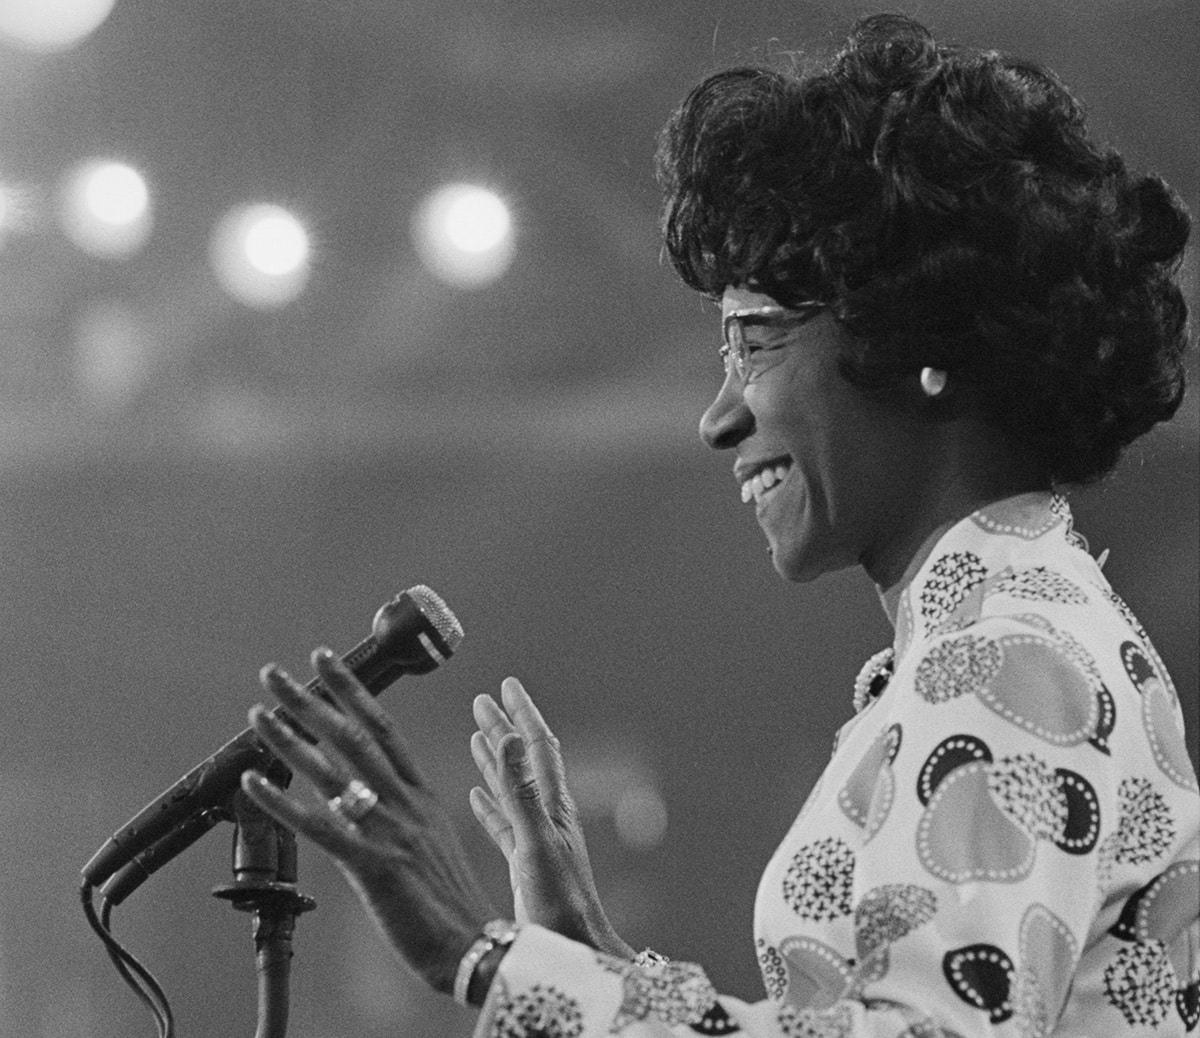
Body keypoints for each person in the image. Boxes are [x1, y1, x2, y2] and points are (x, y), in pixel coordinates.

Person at [239, 14, 1199, 1038]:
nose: (719, 415)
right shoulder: (1016, 636)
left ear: (924, 344)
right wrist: (593, 962)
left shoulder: (1009, 659)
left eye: (756, 340)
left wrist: (480, 956)